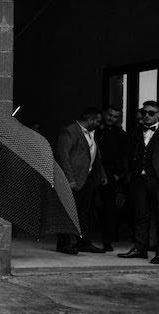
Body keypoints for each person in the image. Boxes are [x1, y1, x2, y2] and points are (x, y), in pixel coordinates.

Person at [55, 108, 108, 255]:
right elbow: (62, 155)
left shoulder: (91, 133)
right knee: (68, 212)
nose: (99, 123)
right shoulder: (69, 131)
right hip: (73, 179)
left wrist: (101, 173)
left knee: (84, 213)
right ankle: (64, 244)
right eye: (97, 120)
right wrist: (70, 179)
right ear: (90, 119)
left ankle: (82, 242)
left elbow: (94, 155)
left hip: (87, 179)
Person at [119, 100, 159, 263]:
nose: (146, 116)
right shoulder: (136, 132)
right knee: (140, 215)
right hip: (139, 180)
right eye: (144, 112)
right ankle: (139, 249)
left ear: (158, 115)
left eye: (151, 113)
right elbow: (127, 155)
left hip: (157, 179)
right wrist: (129, 174)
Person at [95, 107, 129, 251]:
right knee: (87, 205)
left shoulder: (120, 135)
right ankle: (80, 240)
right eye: (109, 115)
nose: (111, 118)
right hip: (91, 171)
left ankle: (107, 240)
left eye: (115, 117)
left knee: (108, 208)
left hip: (110, 173)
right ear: (104, 114)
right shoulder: (95, 130)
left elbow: (125, 156)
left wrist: (118, 174)